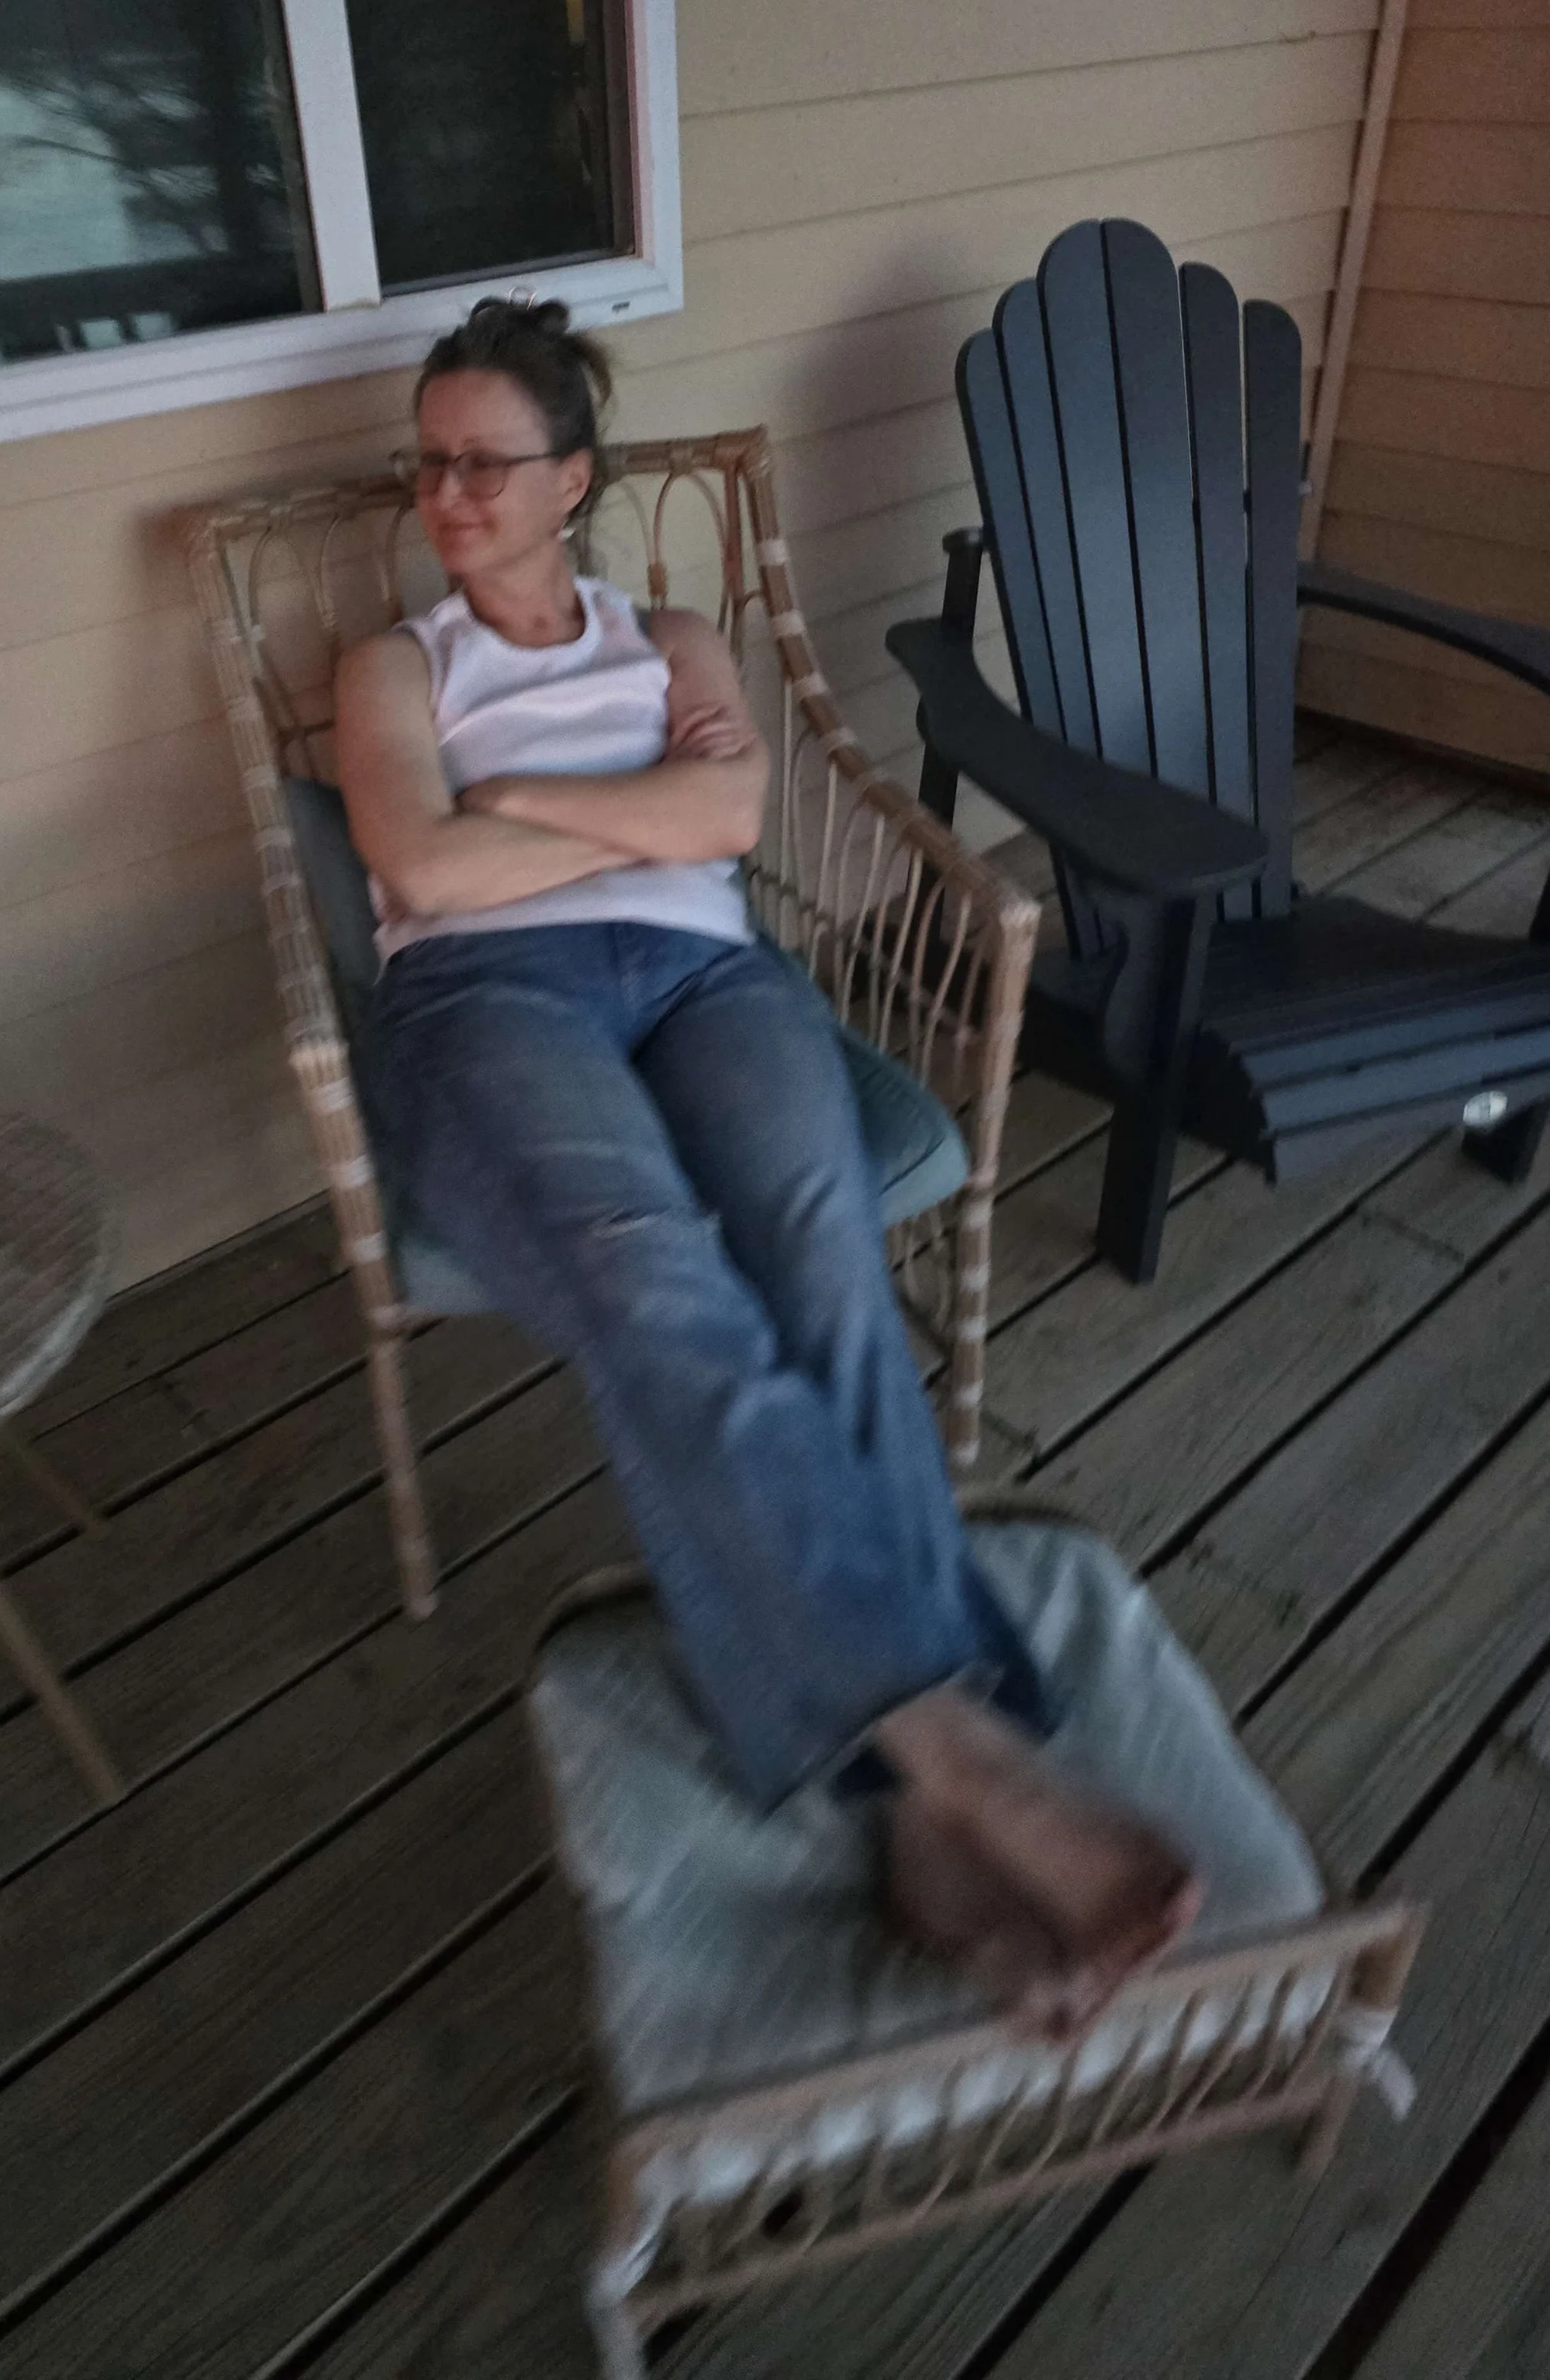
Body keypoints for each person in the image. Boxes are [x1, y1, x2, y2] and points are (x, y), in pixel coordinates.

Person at [334, 295, 1197, 2034]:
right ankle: (960, 1752)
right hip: (491, 1003)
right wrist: (621, 798)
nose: (449, 492)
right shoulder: (394, 666)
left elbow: (723, 829)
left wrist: (532, 812)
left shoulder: (670, 637)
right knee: (658, 1278)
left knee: (818, 1258)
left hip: (706, 974)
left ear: (571, 476)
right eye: (429, 461)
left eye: (486, 462)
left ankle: (912, 1822)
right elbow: (414, 871)